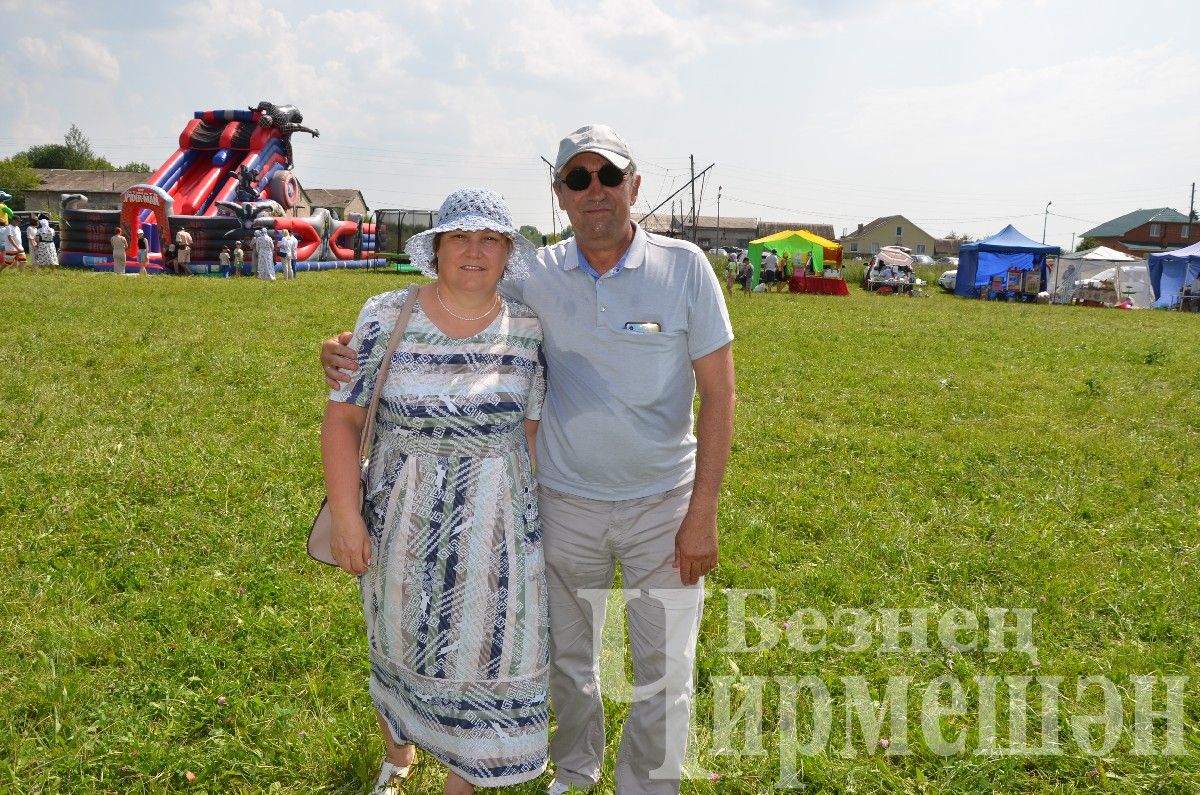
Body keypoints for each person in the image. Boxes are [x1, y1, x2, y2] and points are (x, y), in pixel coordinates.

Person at [323, 124, 735, 795]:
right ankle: (574, 773)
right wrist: (338, 348)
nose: (595, 190)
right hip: (563, 502)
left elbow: (721, 393)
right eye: (579, 178)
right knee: (570, 662)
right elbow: (439, 316)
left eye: (608, 176)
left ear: (634, 186)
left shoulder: (684, 266)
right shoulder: (535, 277)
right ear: (560, 195)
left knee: (664, 667)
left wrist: (703, 511)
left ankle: (646, 788)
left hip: (664, 501)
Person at [322, 188, 547, 795]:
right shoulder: (385, 314)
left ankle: (460, 775)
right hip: (402, 523)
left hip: (496, 531)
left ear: (506, 253)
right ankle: (399, 754)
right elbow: (343, 419)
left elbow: (528, 435)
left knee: (485, 656)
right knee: (401, 644)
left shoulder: (528, 327)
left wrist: (529, 532)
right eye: (461, 238)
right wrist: (347, 518)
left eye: (490, 239)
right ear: (438, 250)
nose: (475, 250)